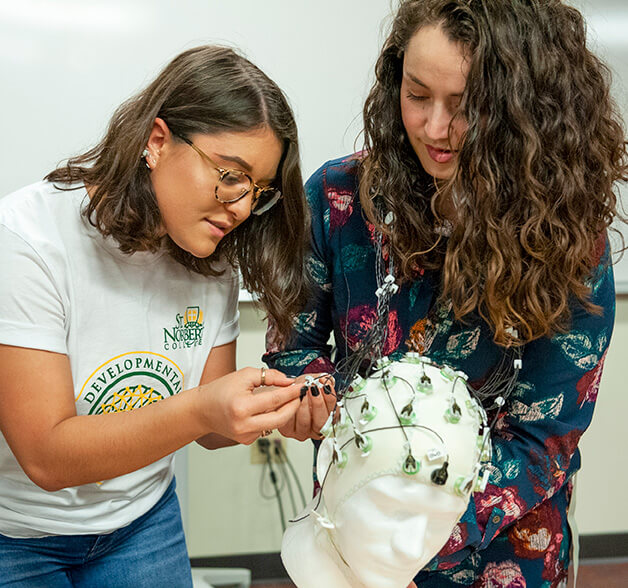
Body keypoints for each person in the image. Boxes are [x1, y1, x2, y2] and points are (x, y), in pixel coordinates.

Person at [265, 0, 627, 585]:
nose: (435, 129)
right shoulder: (339, 199)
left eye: (464, 108)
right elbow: (294, 345)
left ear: (523, 111)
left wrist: (415, 540)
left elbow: (546, 435)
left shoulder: (566, 235)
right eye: (416, 94)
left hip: (501, 553)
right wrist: (306, 394)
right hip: (356, 542)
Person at [0, 45, 312, 587]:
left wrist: (271, 409)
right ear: (158, 141)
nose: (240, 208)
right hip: (17, 535)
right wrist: (202, 409)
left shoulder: (212, 266)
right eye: (230, 175)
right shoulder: (28, 242)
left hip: (141, 523)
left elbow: (210, 429)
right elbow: (47, 457)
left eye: (258, 192)